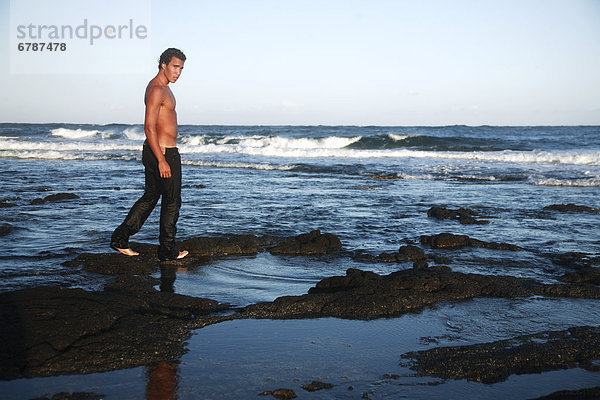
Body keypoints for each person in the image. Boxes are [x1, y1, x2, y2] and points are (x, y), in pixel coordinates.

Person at [111, 48, 189, 261]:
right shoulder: (156, 89)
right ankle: (167, 251)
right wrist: (162, 159)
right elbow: (149, 127)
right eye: (175, 66)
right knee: (172, 201)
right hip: (162, 152)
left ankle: (120, 239)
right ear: (163, 64)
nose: (178, 72)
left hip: (159, 150)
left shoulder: (166, 89)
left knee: (151, 196)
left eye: (181, 68)